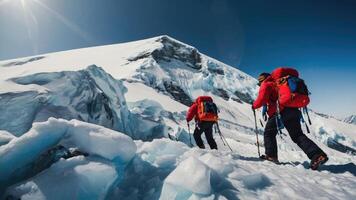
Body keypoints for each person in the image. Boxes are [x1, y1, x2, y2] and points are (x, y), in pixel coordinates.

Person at [252, 72, 328, 170]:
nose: (260, 84)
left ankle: (271, 156)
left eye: (260, 82)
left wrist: (254, 106)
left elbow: (261, 99)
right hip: (293, 111)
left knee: (269, 133)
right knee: (297, 135)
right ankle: (317, 155)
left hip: (279, 112)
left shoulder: (267, 84)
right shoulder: (278, 83)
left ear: (263, 80)